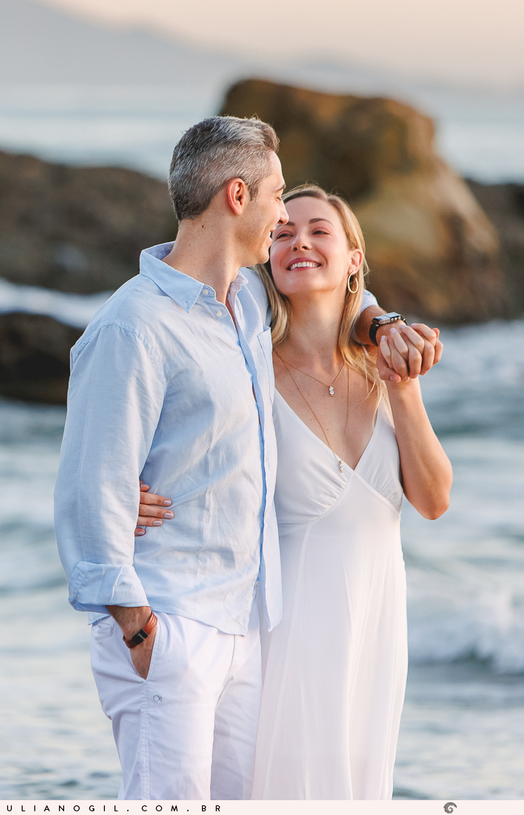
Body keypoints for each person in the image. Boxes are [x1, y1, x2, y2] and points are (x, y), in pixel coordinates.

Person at [54, 116, 440, 800]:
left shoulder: (246, 305)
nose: (284, 217)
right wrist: (138, 627)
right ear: (238, 197)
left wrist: (380, 322)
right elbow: (88, 482)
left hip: (244, 629)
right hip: (170, 626)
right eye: (276, 198)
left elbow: (338, 289)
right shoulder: (133, 324)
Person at [136, 185, 452, 799]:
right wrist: (121, 490)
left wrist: (404, 387)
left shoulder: (384, 366)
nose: (299, 241)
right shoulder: (249, 365)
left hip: (374, 633)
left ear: (355, 258)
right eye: (283, 232)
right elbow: (174, 423)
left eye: (320, 231)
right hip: (284, 636)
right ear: (267, 257)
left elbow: (434, 501)